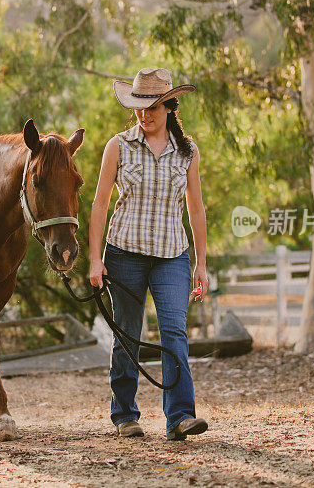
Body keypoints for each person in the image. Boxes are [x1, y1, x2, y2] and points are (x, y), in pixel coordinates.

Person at [88, 67, 209, 441]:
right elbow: (100, 203)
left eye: (154, 106)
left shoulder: (187, 152)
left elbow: (197, 208)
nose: (145, 114)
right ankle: (124, 414)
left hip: (173, 255)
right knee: (128, 334)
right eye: (139, 106)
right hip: (124, 254)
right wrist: (95, 258)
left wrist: (201, 263)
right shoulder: (118, 146)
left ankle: (180, 417)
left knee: (174, 331)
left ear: (170, 107)